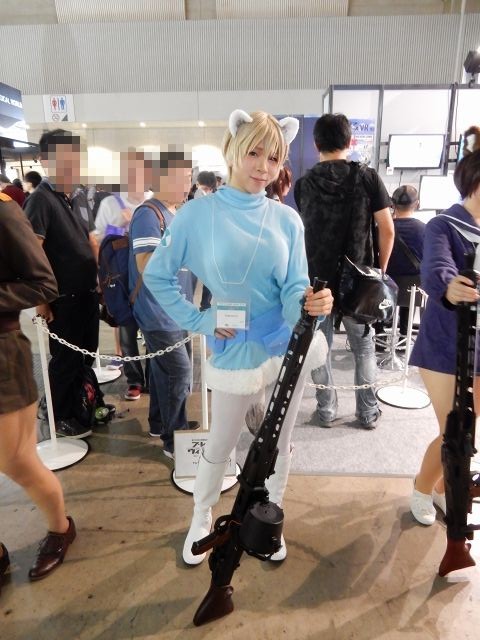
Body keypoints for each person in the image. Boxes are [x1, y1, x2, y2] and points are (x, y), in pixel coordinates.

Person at [143, 109, 333, 565]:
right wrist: (200, 320)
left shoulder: (287, 219)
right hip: (235, 345)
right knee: (222, 440)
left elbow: (293, 288)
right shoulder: (197, 214)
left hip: (286, 344)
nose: (263, 167)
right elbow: (157, 275)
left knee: (281, 439)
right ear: (233, 150)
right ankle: (201, 515)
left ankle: (271, 515)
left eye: (274, 158)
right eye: (254, 153)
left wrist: (311, 304)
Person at [294, 113, 394, 429]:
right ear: (350, 141)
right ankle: (367, 412)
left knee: (318, 348)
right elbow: (387, 229)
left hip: (317, 283)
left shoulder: (304, 184)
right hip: (359, 282)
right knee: (363, 349)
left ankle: (326, 411)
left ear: (316, 144)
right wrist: (380, 273)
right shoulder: (368, 178)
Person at [0, 192, 75, 590]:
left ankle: (61, 528)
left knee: (18, 461)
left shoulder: (4, 210)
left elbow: (42, 283)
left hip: (3, 356)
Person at [409, 144, 480, 525]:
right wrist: (450, 286)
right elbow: (436, 268)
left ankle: (441, 488)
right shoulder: (444, 225)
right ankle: (422, 489)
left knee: (471, 426)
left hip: (479, 343)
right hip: (445, 343)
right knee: (454, 427)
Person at [23, 129, 100, 439]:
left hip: (86, 293)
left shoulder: (75, 196)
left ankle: (80, 405)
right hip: (62, 298)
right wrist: (41, 300)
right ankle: (58, 415)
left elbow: (88, 241)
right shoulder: (40, 200)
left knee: (85, 355)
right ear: (46, 160)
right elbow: (31, 253)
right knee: (65, 360)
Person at [128, 150, 197, 455]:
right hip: (158, 312)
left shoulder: (173, 213)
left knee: (162, 371)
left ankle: (160, 422)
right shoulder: (148, 214)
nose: (187, 185)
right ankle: (174, 440)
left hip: (177, 310)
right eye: (181, 178)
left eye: (189, 178)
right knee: (179, 372)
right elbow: (146, 264)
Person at [95, 150, 149, 400]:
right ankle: (135, 380)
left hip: (149, 282)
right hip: (121, 282)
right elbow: (97, 240)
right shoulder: (111, 204)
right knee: (127, 336)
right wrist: (120, 227)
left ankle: (154, 379)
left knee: (154, 334)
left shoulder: (154, 203)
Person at [386, 185, 425, 336]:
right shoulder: (425, 229)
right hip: (413, 291)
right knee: (411, 290)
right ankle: (404, 336)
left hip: (386, 289)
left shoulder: (383, 228)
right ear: (417, 204)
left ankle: (379, 338)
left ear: (393, 204)